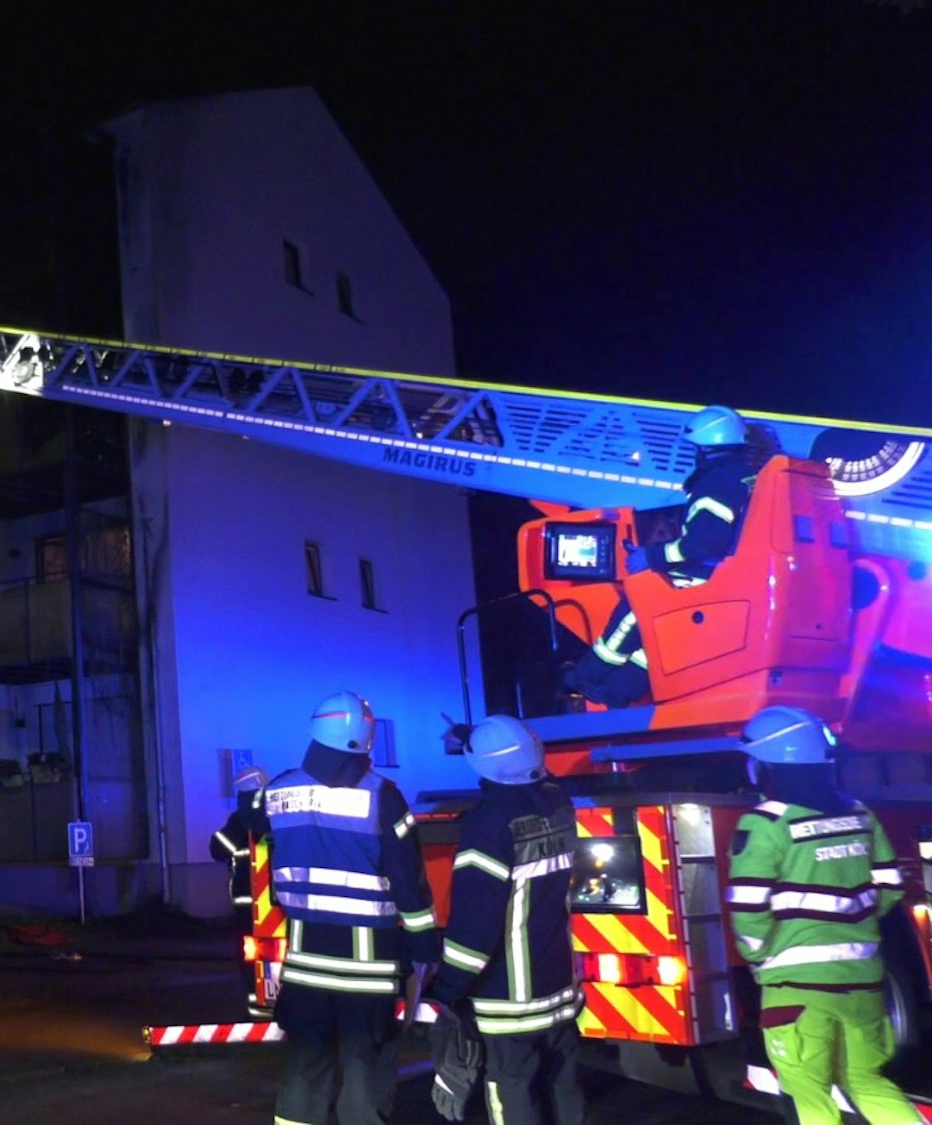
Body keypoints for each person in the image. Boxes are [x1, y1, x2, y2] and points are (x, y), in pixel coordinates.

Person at [725, 706, 917, 1124]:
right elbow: (889, 886)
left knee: (810, 1097)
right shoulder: (859, 814)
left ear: (766, 766)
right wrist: (855, 926)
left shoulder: (764, 825)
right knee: (868, 1082)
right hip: (863, 981)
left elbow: (748, 908)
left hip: (796, 989)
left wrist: (760, 957)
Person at [263, 691, 440, 1125]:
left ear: (314, 731)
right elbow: (407, 880)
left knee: (306, 1067)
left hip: (304, 964)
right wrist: (424, 944)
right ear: (366, 740)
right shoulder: (383, 796)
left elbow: (250, 827)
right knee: (366, 1071)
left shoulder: (278, 790)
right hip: (368, 967)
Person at [425, 715, 585, 1124]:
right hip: (558, 985)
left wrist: (447, 987)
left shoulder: (488, 825)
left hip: (508, 997)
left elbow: (476, 926)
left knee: (512, 1088)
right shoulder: (558, 806)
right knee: (563, 1084)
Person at [567, 404, 755, 707]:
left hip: (711, 579)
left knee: (640, 603)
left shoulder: (717, 483)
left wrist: (650, 557)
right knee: (662, 638)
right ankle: (619, 691)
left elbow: (704, 545)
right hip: (735, 579)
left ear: (705, 449)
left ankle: (589, 675)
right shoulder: (747, 478)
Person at [209, 764, 272, 1017]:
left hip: (249, 906)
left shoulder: (239, 821)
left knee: (250, 957)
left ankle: (257, 1006)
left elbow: (216, 849)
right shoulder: (281, 815)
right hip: (286, 906)